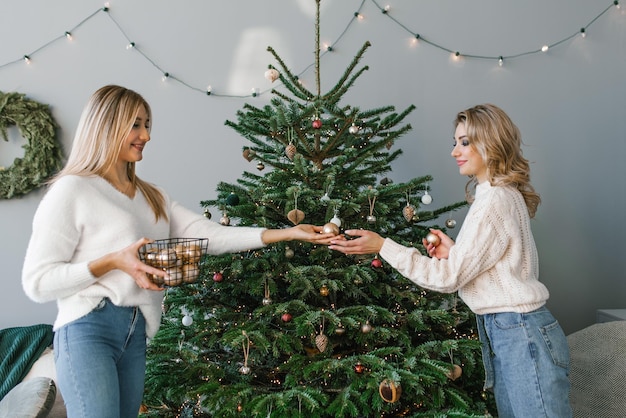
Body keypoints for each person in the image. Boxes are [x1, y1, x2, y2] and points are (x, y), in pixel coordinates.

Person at [21, 85, 335, 418]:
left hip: (137, 332)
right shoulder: (73, 190)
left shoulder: (152, 196)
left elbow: (211, 236)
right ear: (107, 125)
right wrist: (114, 261)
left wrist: (287, 233)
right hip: (88, 327)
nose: (146, 135)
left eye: (147, 125)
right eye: (136, 125)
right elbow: (37, 282)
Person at [329, 104, 572, 417]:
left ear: (492, 143)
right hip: (513, 330)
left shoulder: (493, 200)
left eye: (465, 142)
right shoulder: (497, 193)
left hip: (520, 332)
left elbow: (447, 279)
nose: (455, 151)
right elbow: (495, 263)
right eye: (455, 142)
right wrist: (455, 253)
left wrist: (382, 246)